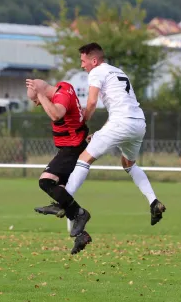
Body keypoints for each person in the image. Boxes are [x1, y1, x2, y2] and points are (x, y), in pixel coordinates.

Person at [47, 42, 166, 234]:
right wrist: (102, 132)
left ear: (94, 60)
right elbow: (121, 108)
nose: (82, 65)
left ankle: (63, 201)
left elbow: (92, 102)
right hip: (138, 123)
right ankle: (153, 201)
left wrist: (82, 123)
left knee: (83, 159)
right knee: (129, 164)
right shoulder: (118, 72)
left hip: (120, 123)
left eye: (83, 61)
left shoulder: (96, 72)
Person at [25, 78, 92, 254]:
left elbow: (56, 114)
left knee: (46, 182)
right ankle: (81, 235)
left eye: (35, 100)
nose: (37, 104)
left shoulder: (60, 97)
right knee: (62, 191)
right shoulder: (65, 87)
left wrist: (40, 94)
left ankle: (80, 213)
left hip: (72, 148)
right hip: (71, 146)